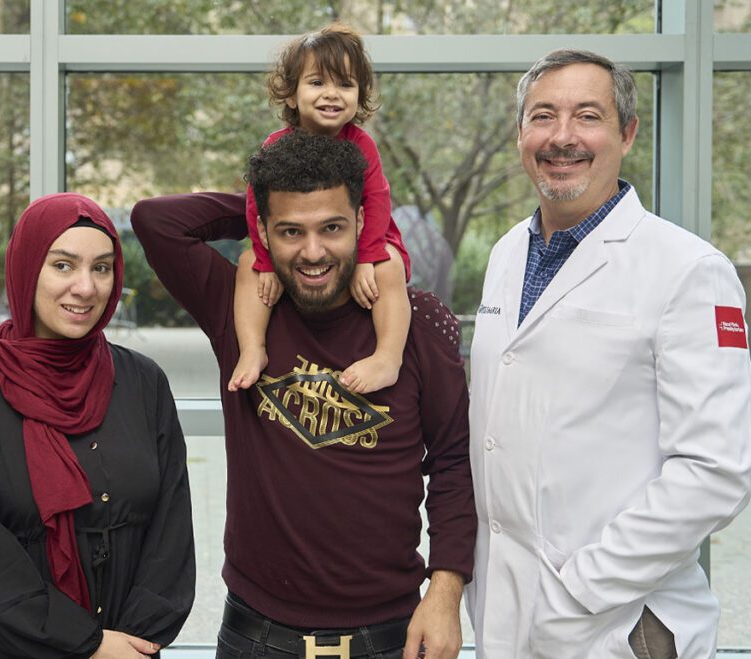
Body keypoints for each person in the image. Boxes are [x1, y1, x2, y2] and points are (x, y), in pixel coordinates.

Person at [132, 130, 475, 659]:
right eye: (290, 231)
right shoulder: (241, 309)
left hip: (390, 638)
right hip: (256, 639)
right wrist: (261, 200)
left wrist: (446, 592)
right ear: (263, 233)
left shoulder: (414, 322)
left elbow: (454, 461)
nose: (313, 252)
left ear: (363, 222)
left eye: (332, 227)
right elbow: (156, 221)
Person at [466, 49, 751, 658]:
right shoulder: (505, 255)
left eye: (586, 116)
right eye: (543, 116)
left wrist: (580, 589)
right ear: (521, 133)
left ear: (626, 134)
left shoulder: (690, 270)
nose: (562, 137)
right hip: (506, 608)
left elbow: (714, 472)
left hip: (615, 621)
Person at [0, 192, 195, 658]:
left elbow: (172, 533)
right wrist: (87, 646)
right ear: (27, 269)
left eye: (102, 267)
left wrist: (134, 640)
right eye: (63, 265)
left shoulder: (143, 382)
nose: (86, 288)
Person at [229, 23, 412, 395]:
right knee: (248, 265)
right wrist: (266, 259)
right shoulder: (275, 146)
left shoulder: (363, 146)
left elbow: (376, 203)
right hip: (298, 242)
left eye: (345, 85)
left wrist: (367, 256)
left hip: (367, 238)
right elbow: (256, 207)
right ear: (292, 95)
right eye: (317, 83)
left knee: (389, 266)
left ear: (359, 96)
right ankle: (252, 349)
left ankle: (387, 357)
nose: (332, 94)